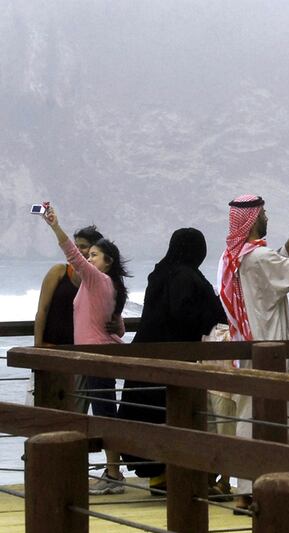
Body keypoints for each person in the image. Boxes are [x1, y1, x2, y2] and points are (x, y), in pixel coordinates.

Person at [218, 194, 289, 511]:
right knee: (282, 416)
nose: (267, 216)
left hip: (246, 347)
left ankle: (246, 491)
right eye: (263, 213)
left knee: (249, 418)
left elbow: (273, 274)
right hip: (271, 344)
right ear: (253, 219)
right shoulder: (258, 258)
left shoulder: (234, 256)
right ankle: (284, 488)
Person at [117, 228, 228, 495]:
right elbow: (184, 313)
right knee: (175, 415)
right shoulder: (186, 276)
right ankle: (177, 480)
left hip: (147, 355)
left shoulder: (160, 274)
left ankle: (160, 478)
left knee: (148, 416)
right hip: (174, 359)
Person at [41, 204, 130, 495]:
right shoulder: (107, 284)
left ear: (107, 261)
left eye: (93, 255)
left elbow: (72, 255)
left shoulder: (97, 279)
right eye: (88, 255)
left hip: (95, 358)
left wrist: (55, 226)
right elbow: (118, 326)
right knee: (104, 413)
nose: (87, 258)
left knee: (104, 415)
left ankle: (114, 474)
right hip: (97, 355)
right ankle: (112, 471)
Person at [31, 225, 104, 411]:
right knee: (47, 407)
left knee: (76, 411)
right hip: (52, 349)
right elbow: (42, 311)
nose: (79, 250)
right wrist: (38, 349)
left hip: (81, 355)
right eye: (76, 245)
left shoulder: (97, 281)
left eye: (85, 246)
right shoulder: (59, 272)